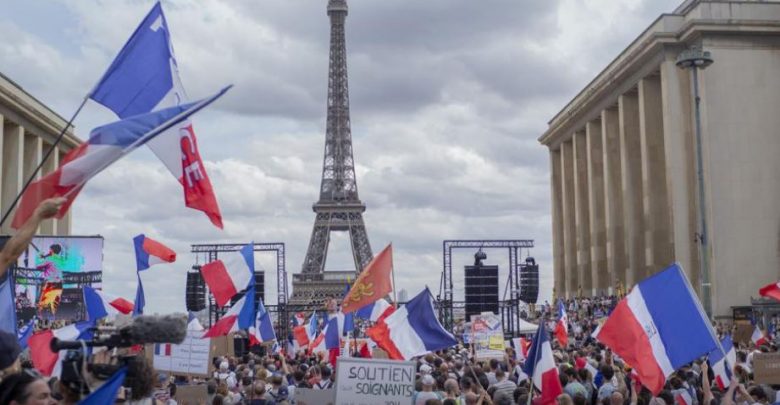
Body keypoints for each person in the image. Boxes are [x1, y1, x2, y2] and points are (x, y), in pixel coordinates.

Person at [0, 198, 65, 280]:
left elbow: (38, 266)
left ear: (52, 250)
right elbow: (9, 256)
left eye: (50, 250)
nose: (49, 251)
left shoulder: (49, 259)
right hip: (58, 284)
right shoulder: (59, 260)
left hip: (50, 284)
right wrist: (39, 214)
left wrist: (40, 257)